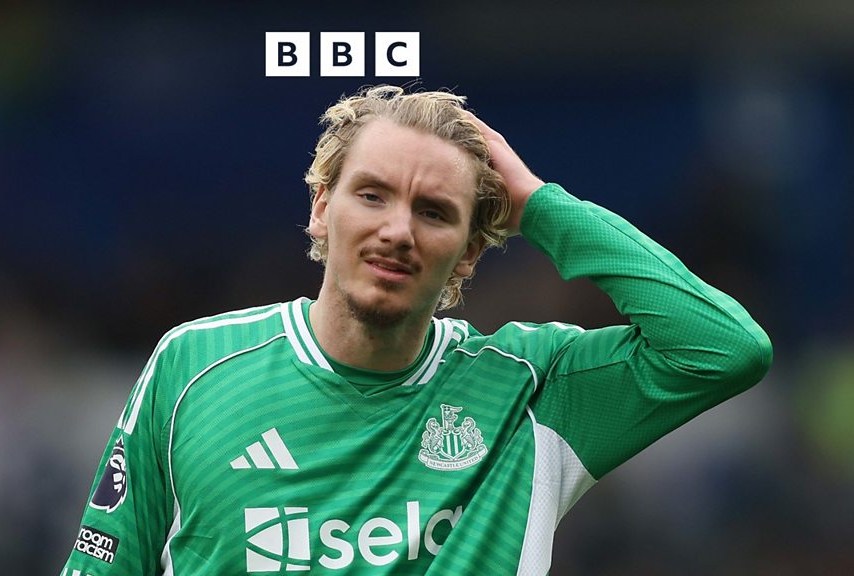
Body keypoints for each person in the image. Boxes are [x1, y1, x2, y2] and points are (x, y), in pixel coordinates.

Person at [59, 85, 772, 575]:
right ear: (321, 207)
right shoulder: (194, 365)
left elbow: (725, 348)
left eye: (434, 212)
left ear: (469, 252)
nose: (398, 230)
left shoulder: (532, 388)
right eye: (372, 195)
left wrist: (538, 205)